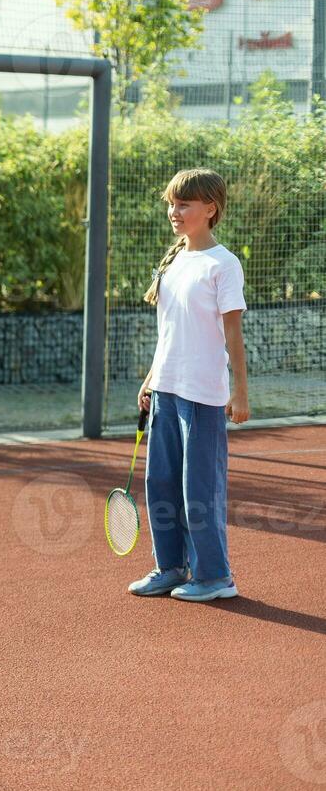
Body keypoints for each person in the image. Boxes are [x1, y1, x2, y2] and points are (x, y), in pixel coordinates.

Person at [129, 168, 248, 602]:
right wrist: (150, 378)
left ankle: (215, 577)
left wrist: (240, 393)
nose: (173, 212)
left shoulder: (224, 264)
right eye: (171, 204)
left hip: (202, 394)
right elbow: (170, 331)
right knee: (159, 482)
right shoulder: (176, 259)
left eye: (183, 204)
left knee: (198, 489)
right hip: (166, 388)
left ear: (210, 209)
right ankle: (171, 567)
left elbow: (232, 333)